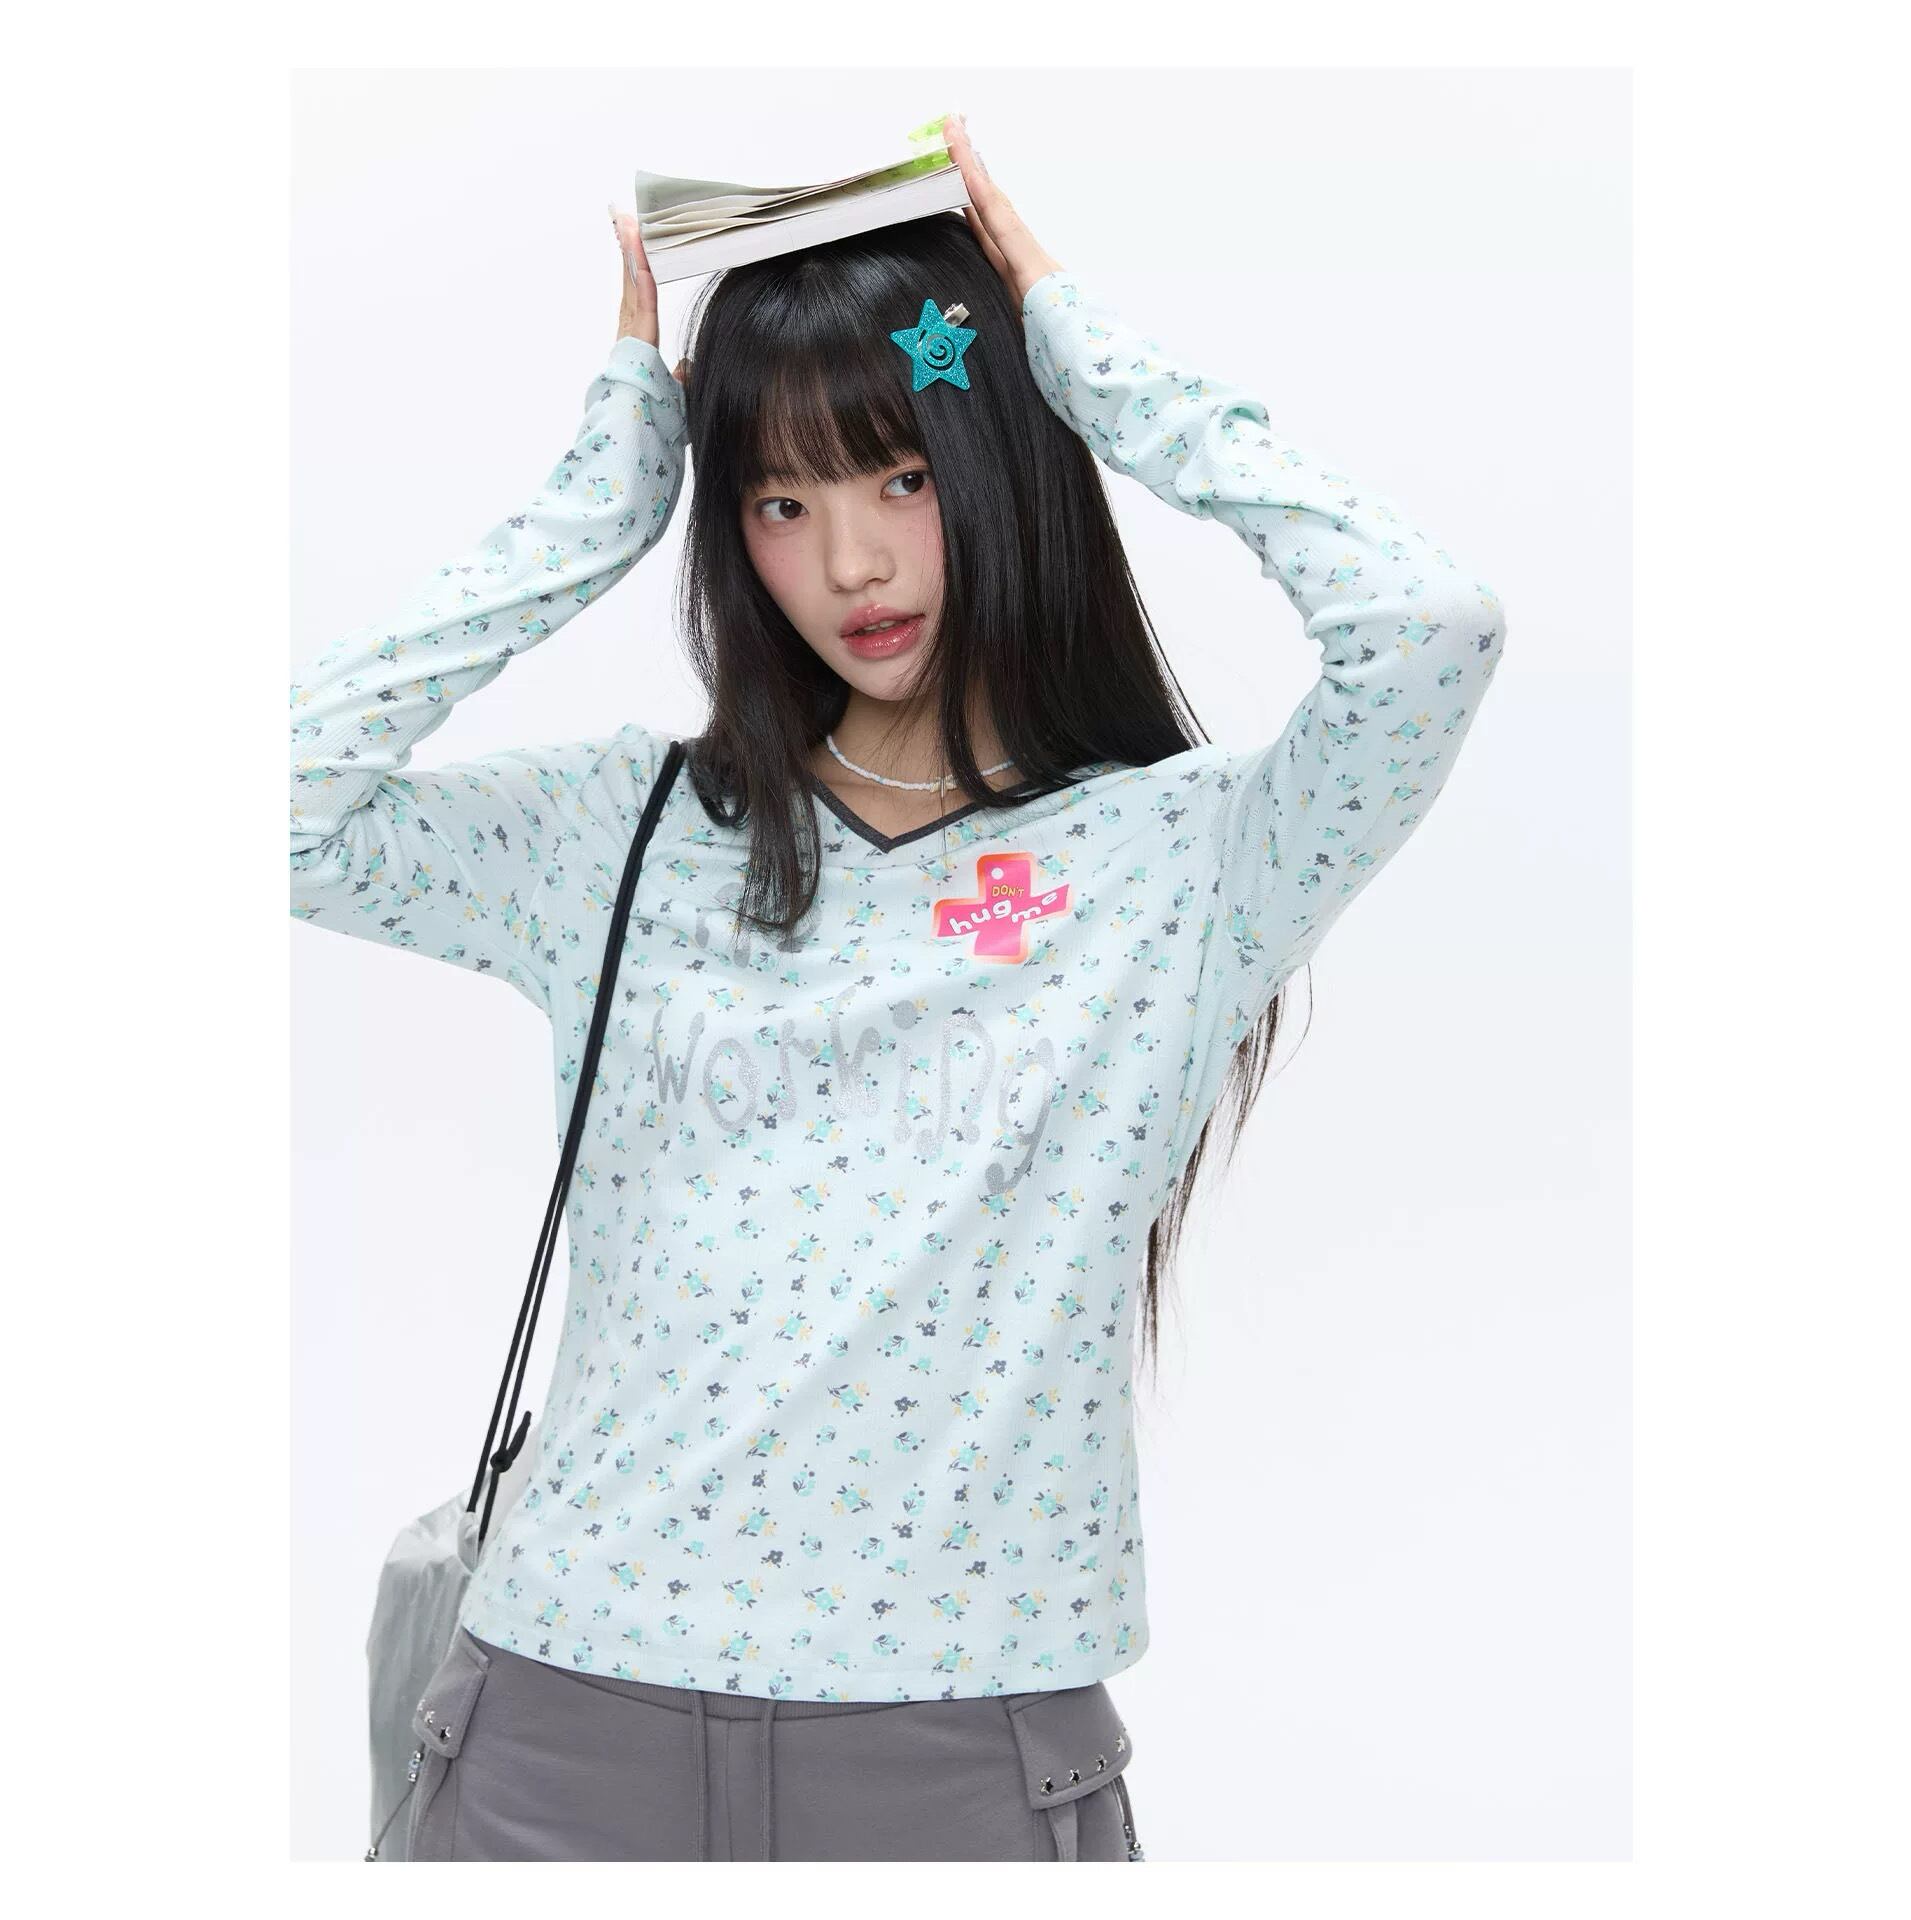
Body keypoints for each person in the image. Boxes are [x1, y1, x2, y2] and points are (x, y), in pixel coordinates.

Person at [292, 114, 1509, 1862]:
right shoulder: (621, 830)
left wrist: (1087, 361)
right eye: (780, 502)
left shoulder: (1182, 861)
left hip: (957, 1758)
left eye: (899, 478)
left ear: (997, 458)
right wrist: (592, 507)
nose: (850, 563)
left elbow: (1432, 627)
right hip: (559, 1728)